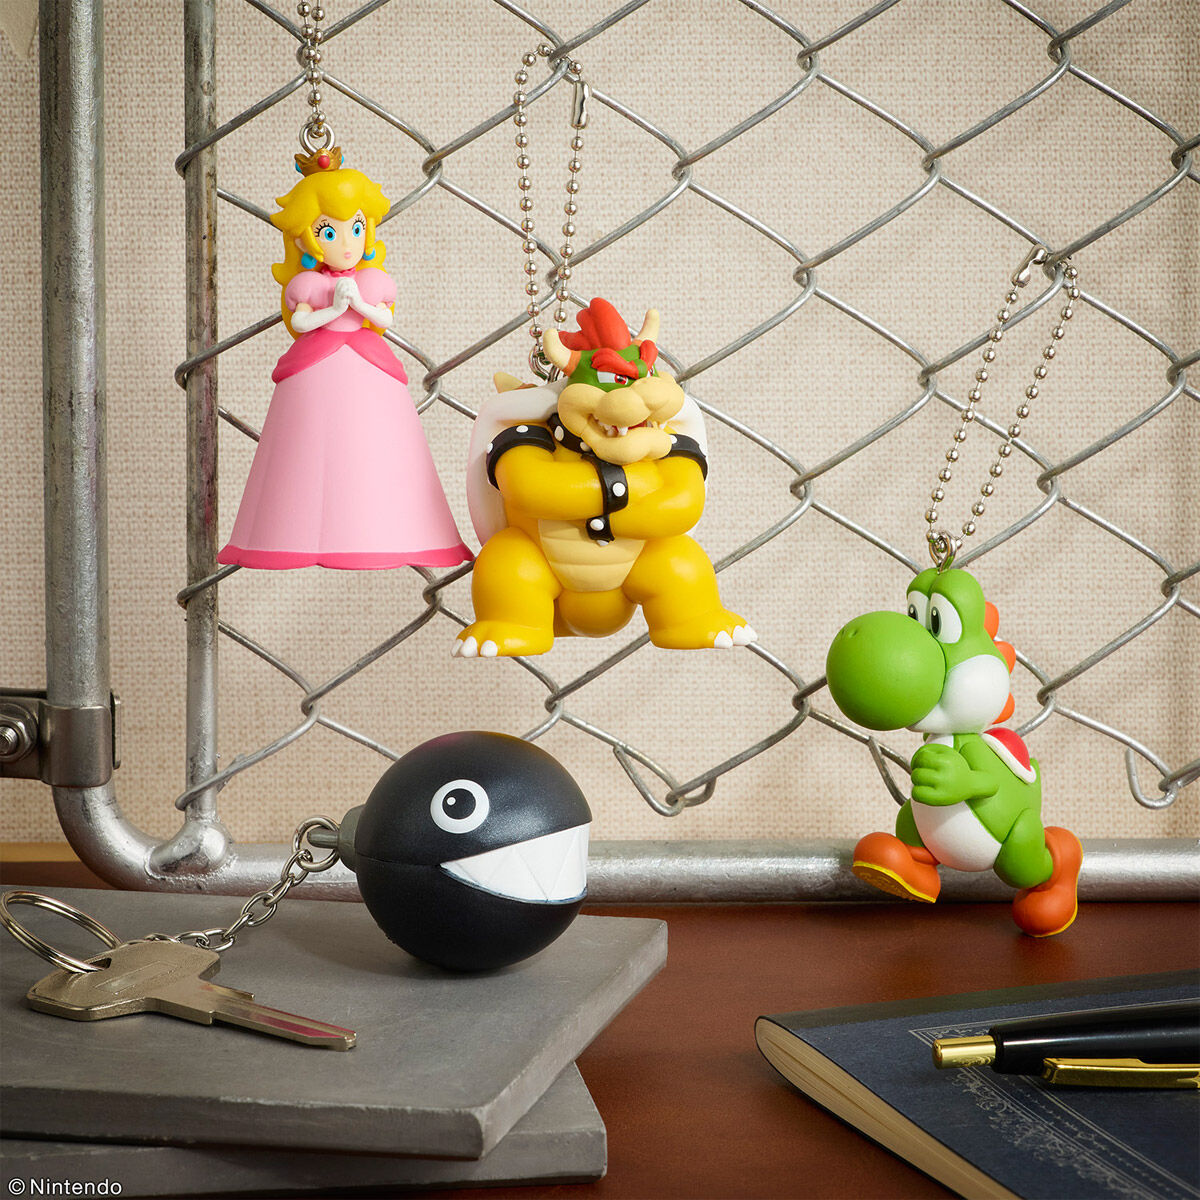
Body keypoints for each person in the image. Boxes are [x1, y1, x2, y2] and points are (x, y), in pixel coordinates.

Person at [218, 150, 471, 570]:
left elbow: (384, 319)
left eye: (356, 228)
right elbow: (301, 322)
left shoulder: (373, 281)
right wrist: (336, 309)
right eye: (329, 232)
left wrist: (360, 307)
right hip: (316, 360)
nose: (347, 243)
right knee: (309, 441)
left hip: (369, 360)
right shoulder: (307, 284)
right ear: (305, 239)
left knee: (377, 438)